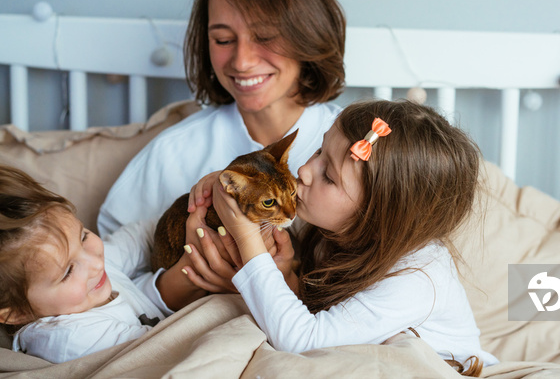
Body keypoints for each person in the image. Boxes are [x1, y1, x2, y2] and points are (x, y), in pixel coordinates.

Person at [96, 0, 346, 300]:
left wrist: (279, 282)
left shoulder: (353, 151)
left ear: (308, 31)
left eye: (264, 36)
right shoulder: (173, 151)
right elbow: (97, 280)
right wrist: (179, 281)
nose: (242, 61)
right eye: (224, 39)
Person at [188, 99, 499, 376]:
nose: (305, 171)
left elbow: (302, 340)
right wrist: (233, 185)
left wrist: (246, 237)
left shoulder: (418, 278)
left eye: (329, 177)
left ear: (377, 215)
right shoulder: (331, 223)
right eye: (319, 150)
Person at [0, 165, 186, 363]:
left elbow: (140, 237)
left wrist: (190, 214)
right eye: (68, 272)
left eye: (83, 236)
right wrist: (174, 290)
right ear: (17, 313)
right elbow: (164, 350)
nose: (97, 263)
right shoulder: (67, 339)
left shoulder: (85, 266)